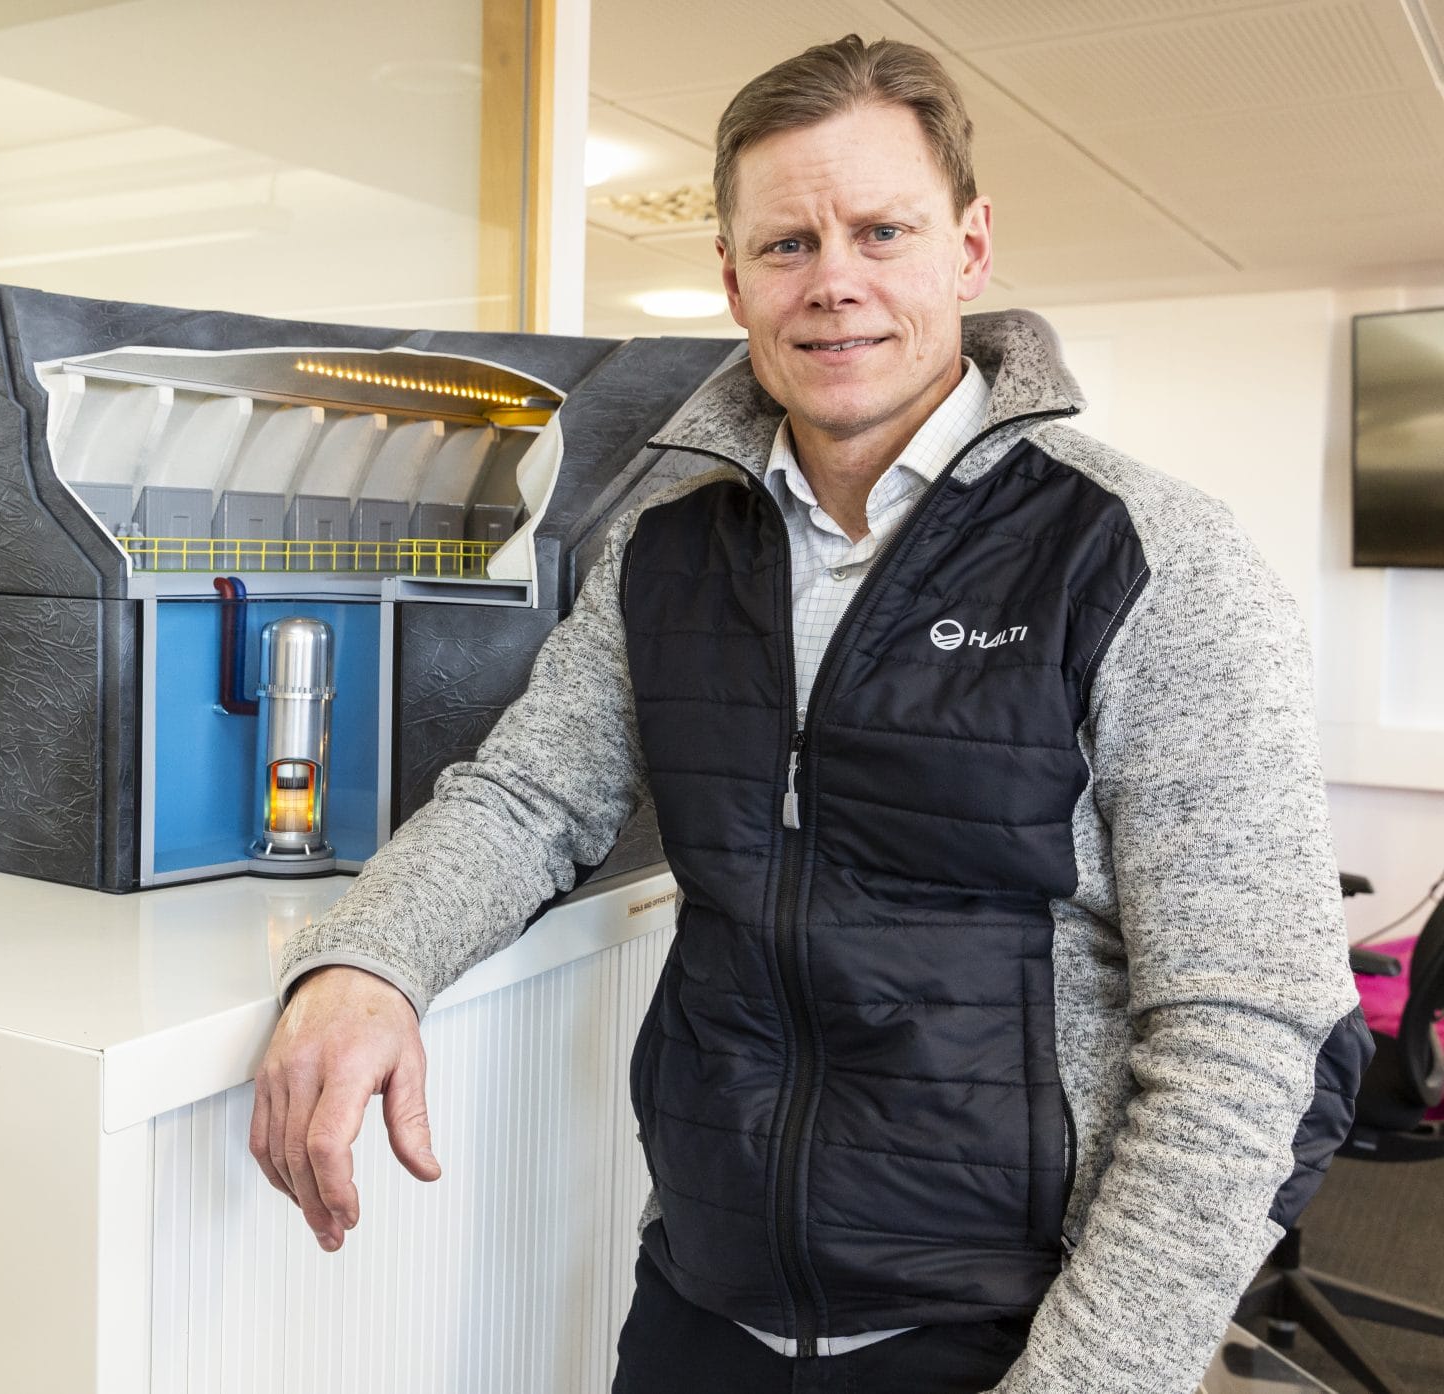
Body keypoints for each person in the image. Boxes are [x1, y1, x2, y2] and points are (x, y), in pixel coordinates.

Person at [250, 34, 1369, 1394]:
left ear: (969, 247)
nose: (834, 279)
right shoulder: (668, 543)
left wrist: (1088, 1379)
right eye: (787, 244)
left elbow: (1247, 1029)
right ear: (733, 279)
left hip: (1007, 1336)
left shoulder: (1148, 556)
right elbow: (530, 798)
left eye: (881, 230)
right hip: (702, 1306)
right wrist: (367, 963)